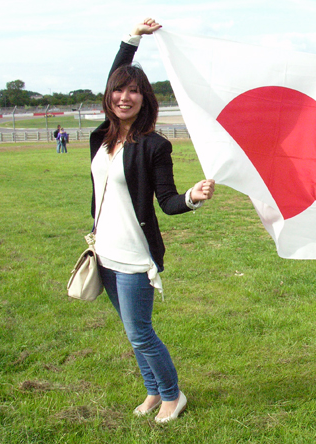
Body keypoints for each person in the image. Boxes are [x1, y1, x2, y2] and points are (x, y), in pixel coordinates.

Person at [89, 18, 215, 423]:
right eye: (119, 90)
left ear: (146, 100)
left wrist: (192, 198)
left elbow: (168, 202)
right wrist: (132, 39)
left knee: (140, 331)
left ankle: (172, 395)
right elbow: (115, 73)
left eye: (134, 91)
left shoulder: (154, 145)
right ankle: (152, 391)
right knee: (131, 333)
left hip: (134, 254)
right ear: (109, 96)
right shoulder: (101, 138)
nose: (125, 96)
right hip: (102, 249)